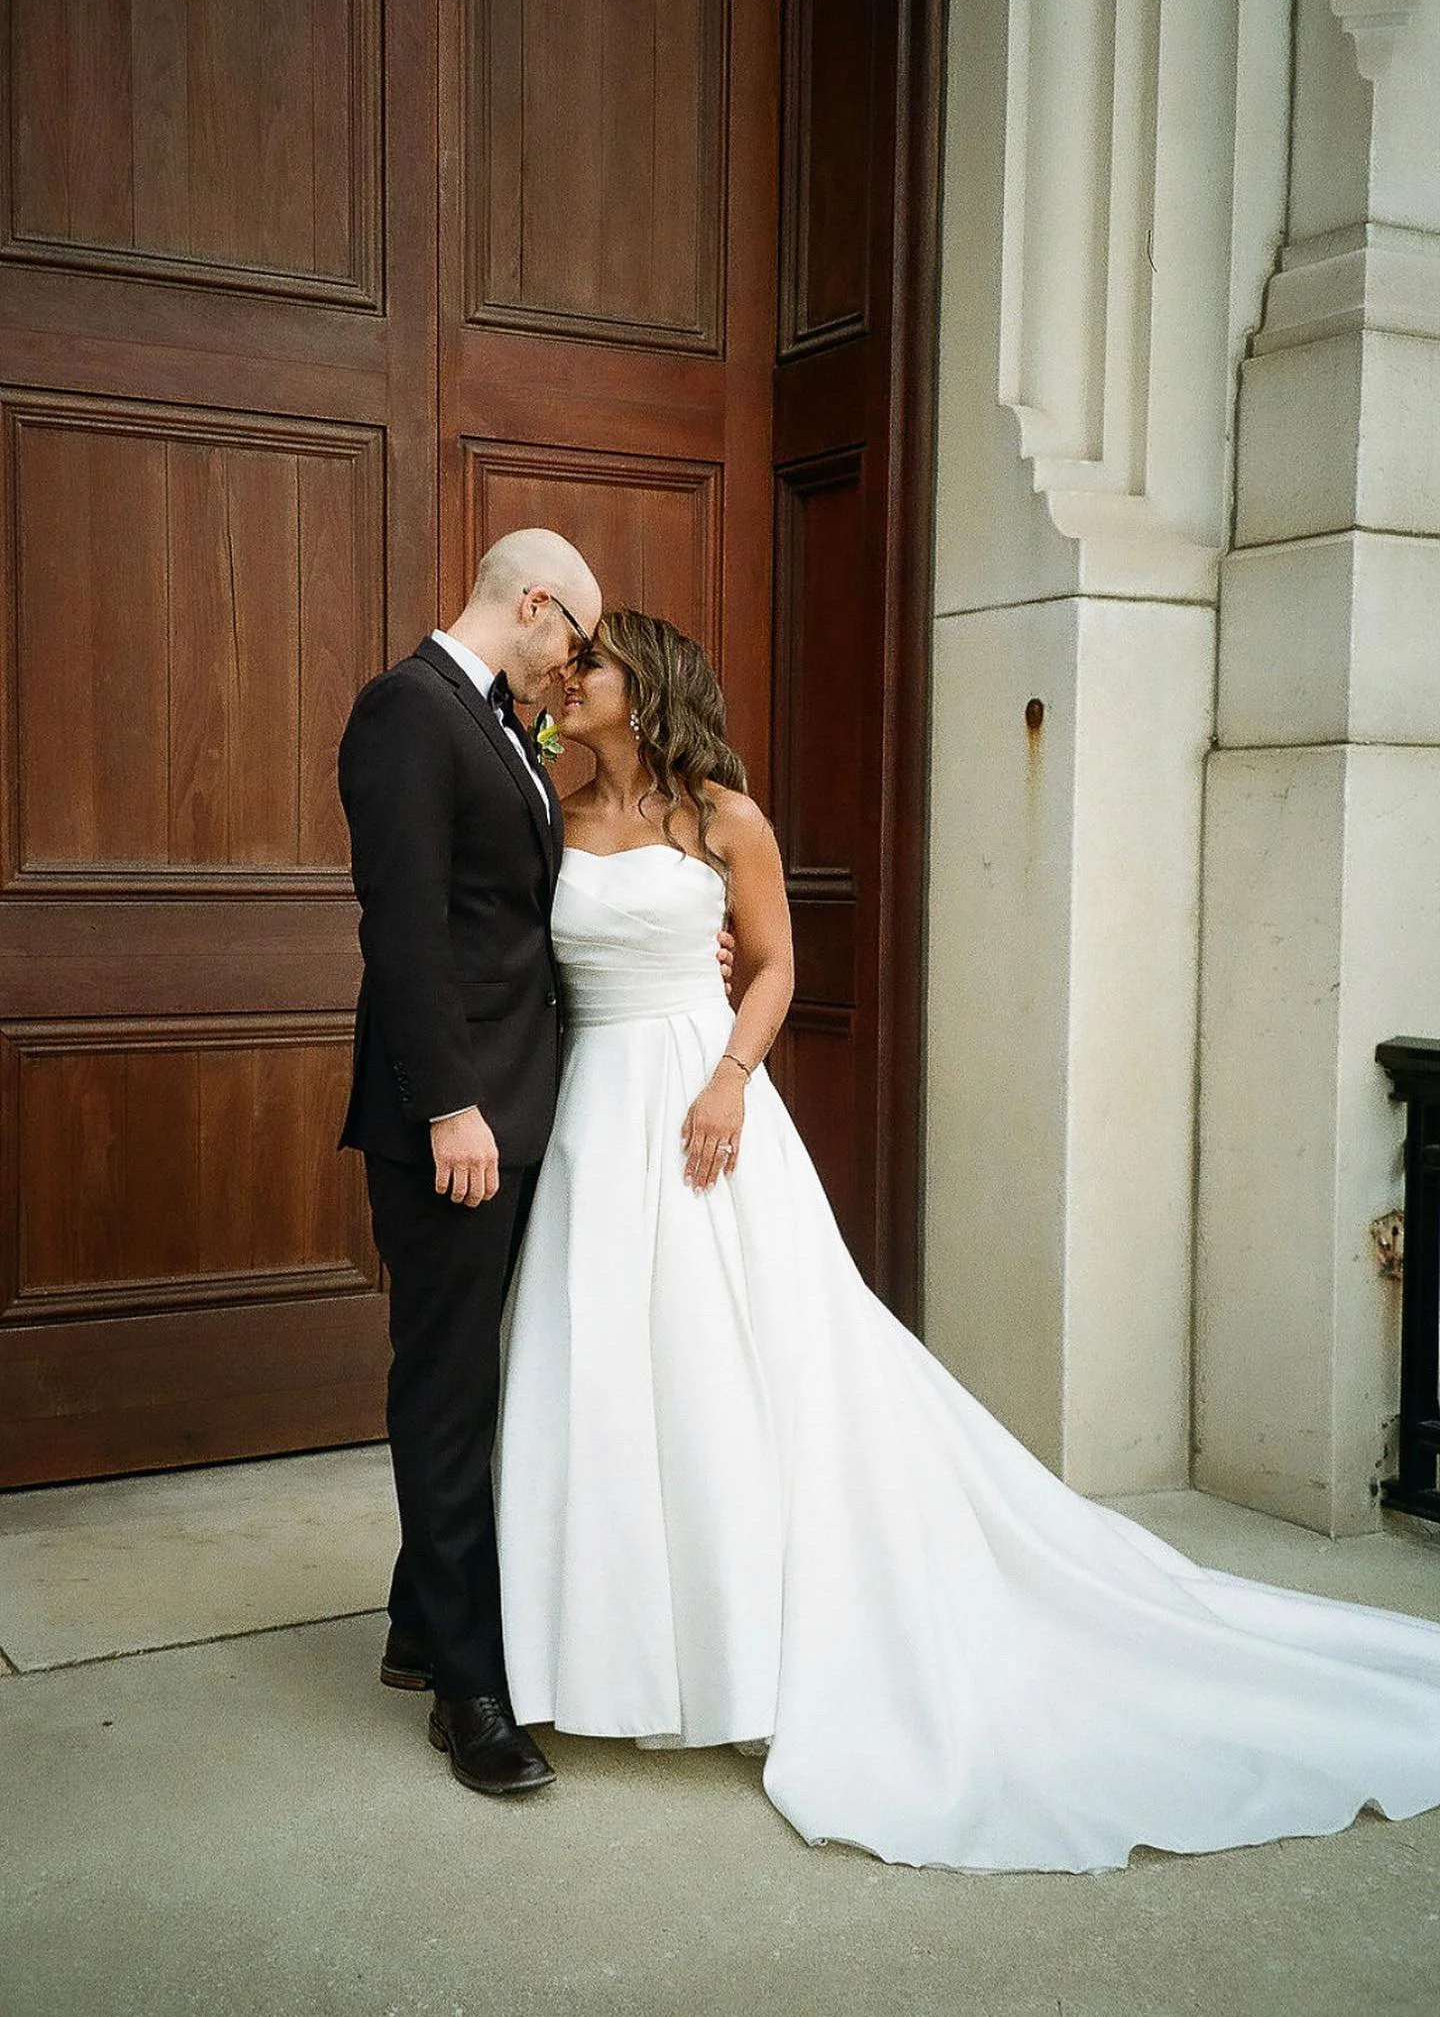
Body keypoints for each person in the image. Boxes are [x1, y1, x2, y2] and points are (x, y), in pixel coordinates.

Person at [495, 607, 1440, 1874]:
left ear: (649, 683)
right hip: (592, 1114)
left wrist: (728, 1075)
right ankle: (607, 1643)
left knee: (733, 1370)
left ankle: (743, 1648)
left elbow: (773, 965)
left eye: (595, 662)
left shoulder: (725, 817)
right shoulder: (549, 809)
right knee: (607, 1370)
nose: (573, 677)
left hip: (698, 1103)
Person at [337, 527, 602, 1799]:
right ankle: (470, 1690)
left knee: (475, 1379)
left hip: (518, 1107)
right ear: (536, 603)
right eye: (580, 640)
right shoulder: (407, 709)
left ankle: (410, 1619)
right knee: (448, 1392)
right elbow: (403, 931)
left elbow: (517, 914)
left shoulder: (500, 724)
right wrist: (447, 1105)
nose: (580, 667)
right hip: (457, 1125)